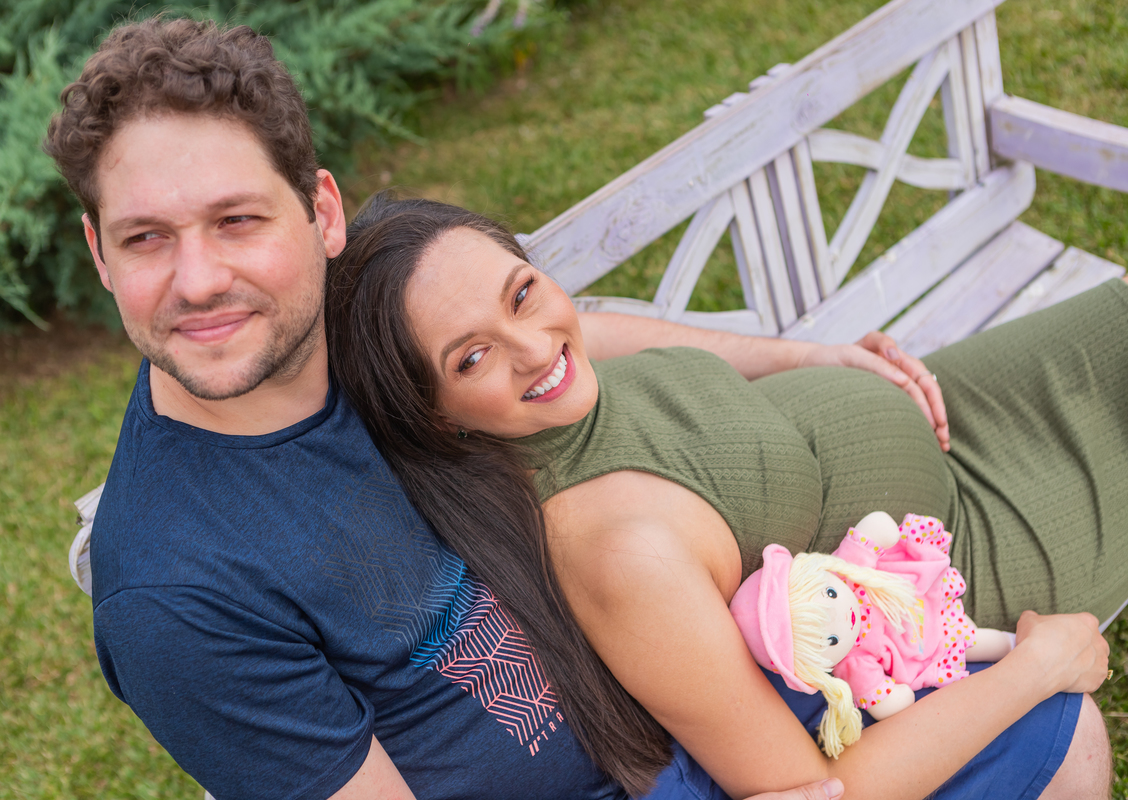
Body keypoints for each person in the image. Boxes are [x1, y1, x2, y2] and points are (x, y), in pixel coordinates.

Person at [40, 16, 939, 800]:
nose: (199, 281)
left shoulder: (337, 324)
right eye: (146, 238)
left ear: (322, 215)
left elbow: (547, 336)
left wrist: (802, 354)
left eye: (236, 220)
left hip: (740, 669)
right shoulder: (174, 596)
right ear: (100, 253)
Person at [321, 193, 1122, 800]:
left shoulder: (553, 388)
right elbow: (818, 789)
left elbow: (591, 329)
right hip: (948, 555)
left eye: (523, 292)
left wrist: (809, 359)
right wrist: (1037, 668)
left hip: (958, 415)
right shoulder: (617, 553)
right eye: (471, 359)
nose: (535, 348)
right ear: (433, 416)